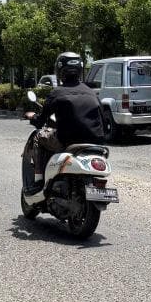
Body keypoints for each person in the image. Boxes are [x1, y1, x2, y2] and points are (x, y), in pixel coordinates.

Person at [24, 52, 105, 195]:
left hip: (67, 141)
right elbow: (103, 119)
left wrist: (32, 117)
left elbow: (40, 121)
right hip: (95, 142)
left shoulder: (57, 93)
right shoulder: (91, 92)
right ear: (80, 70)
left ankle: (38, 180)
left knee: (38, 136)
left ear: (59, 71)